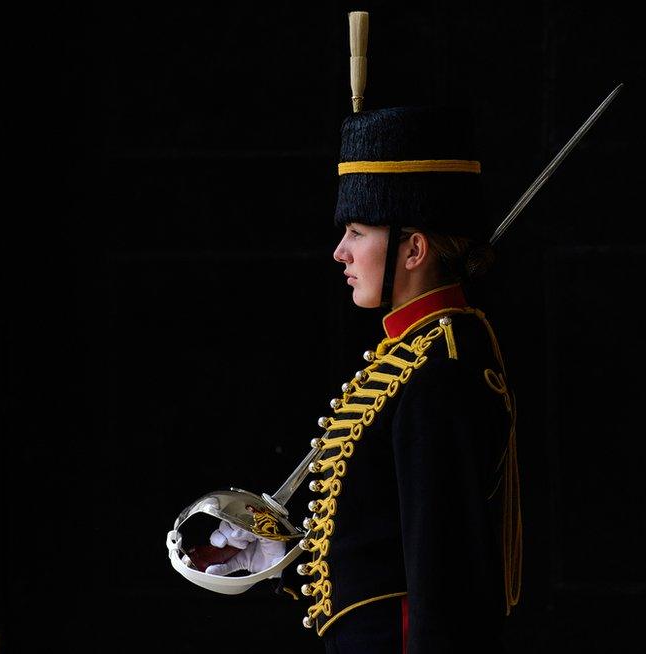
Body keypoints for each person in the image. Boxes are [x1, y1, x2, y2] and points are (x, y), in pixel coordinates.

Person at [199, 104, 523, 653]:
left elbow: (443, 569)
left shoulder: (441, 367)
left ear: (413, 248)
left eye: (356, 232)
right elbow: (383, 532)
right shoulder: (411, 351)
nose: (340, 252)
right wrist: (287, 554)